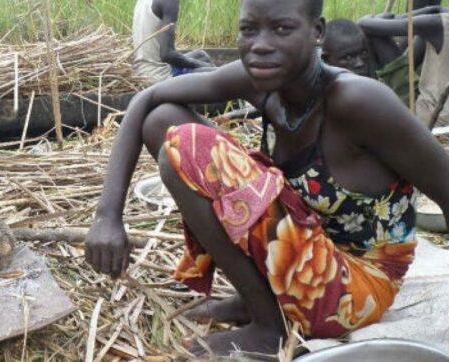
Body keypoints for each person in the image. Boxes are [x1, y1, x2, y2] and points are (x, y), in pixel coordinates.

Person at [86, 0, 449, 356]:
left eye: (282, 29)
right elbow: (147, 99)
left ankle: (269, 327)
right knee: (162, 120)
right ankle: (257, 300)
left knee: (186, 145)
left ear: (316, 32)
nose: (260, 44)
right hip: (306, 247)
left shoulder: (357, 100)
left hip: (358, 284)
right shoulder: (260, 81)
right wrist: (107, 216)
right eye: (248, 29)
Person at [360, 2, 448, 115]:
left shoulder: (436, 24)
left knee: (374, 35)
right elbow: (436, 10)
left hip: (432, 117)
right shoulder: (436, 23)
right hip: (440, 109)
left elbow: (364, 24)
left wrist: (377, 18)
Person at [133, 0, 215, 84]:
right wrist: (202, 66)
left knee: (201, 55)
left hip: (140, 72)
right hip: (158, 76)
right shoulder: (169, 1)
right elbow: (167, 55)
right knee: (215, 74)